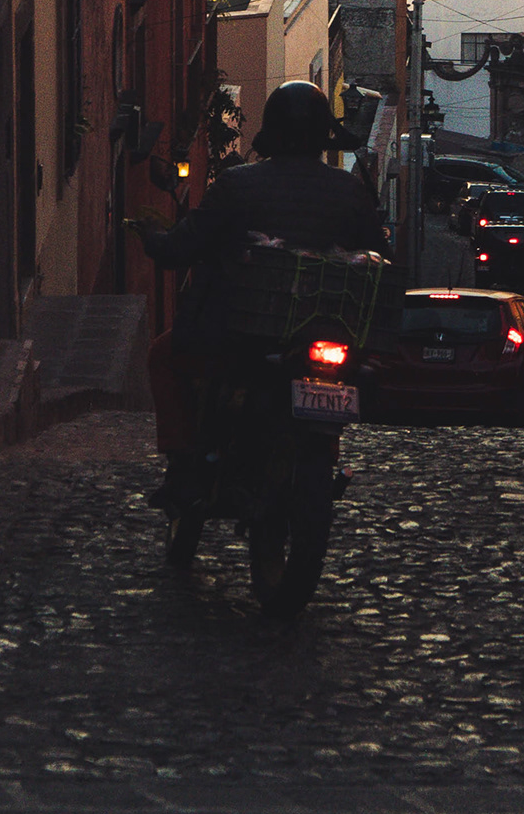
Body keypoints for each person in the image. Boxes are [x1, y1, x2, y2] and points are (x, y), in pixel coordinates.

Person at [138, 81, 386, 506]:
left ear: (272, 133)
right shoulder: (350, 191)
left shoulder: (236, 185)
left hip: (239, 337)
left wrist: (153, 237)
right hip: (326, 335)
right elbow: (376, 257)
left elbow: (182, 247)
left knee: (164, 356)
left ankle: (182, 466)